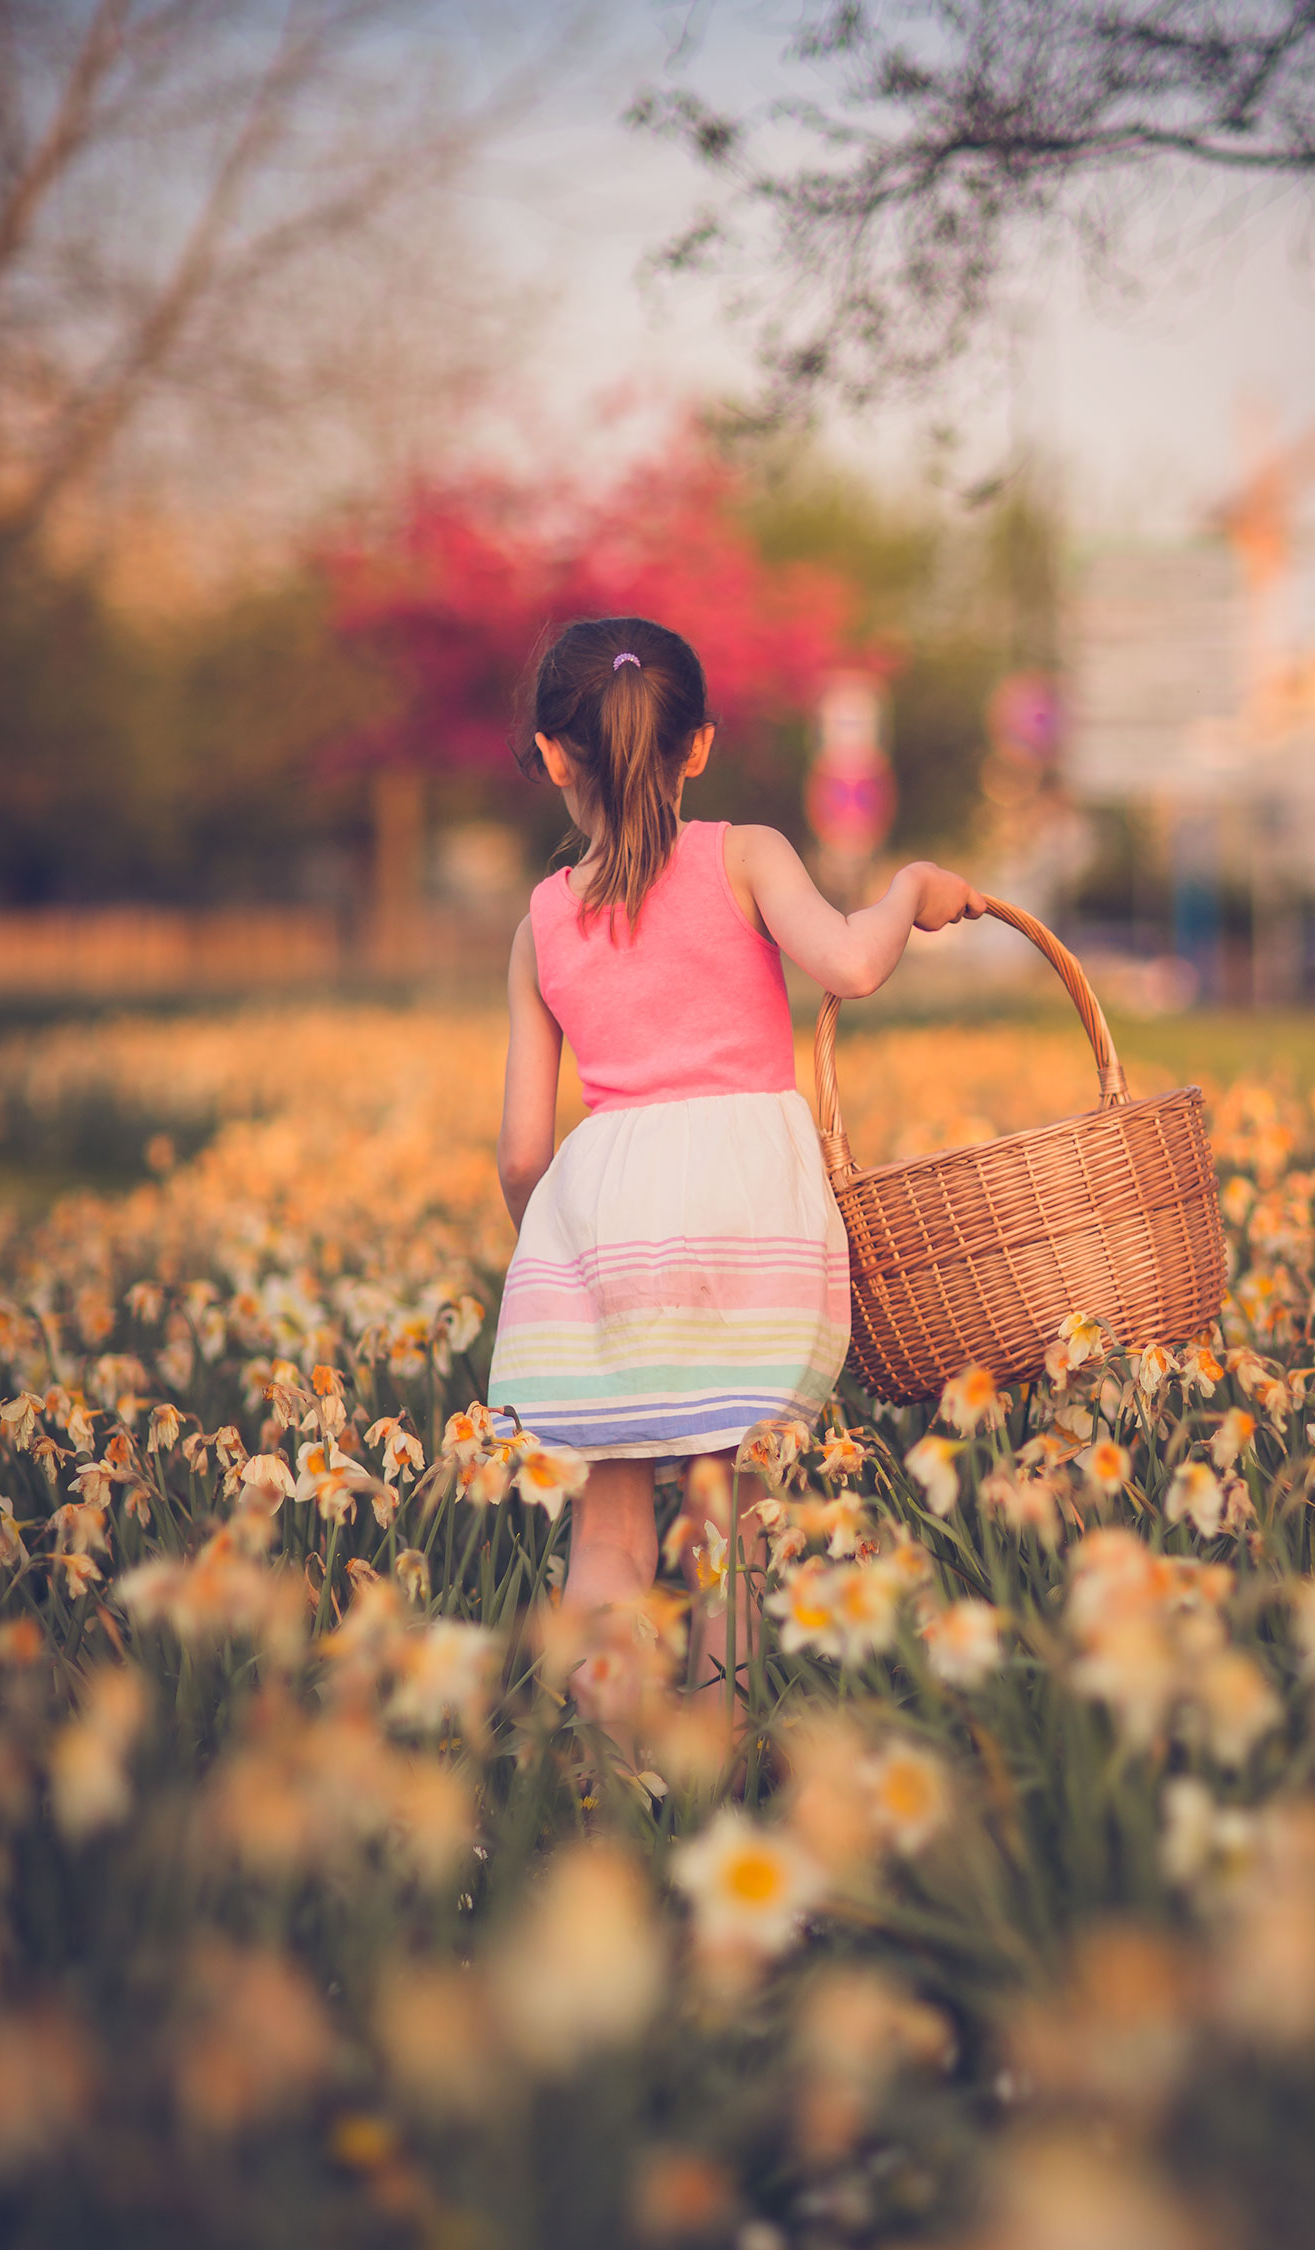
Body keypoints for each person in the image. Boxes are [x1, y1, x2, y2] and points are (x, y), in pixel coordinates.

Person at [488, 615, 987, 1712]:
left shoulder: (540, 922)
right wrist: (908, 887)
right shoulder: (748, 854)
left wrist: (556, 1249)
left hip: (601, 1225)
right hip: (746, 1215)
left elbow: (524, 1149)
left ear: (555, 756)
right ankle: (716, 1764)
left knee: (609, 1530)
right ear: (699, 745)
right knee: (731, 1522)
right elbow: (852, 966)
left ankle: (608, 1788)